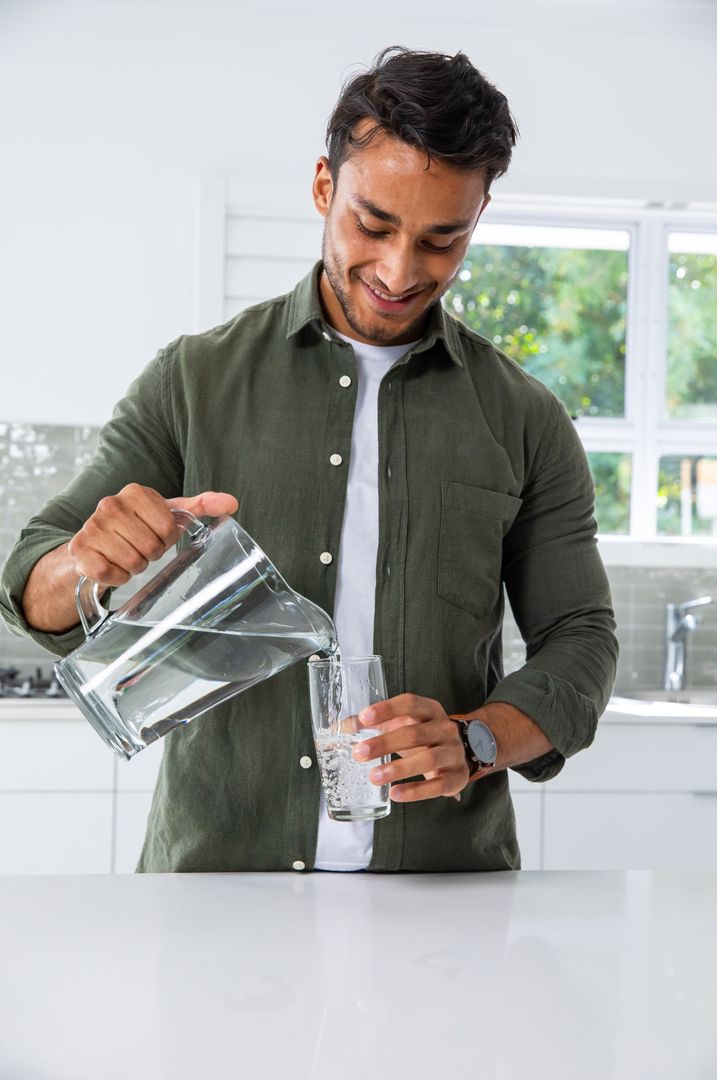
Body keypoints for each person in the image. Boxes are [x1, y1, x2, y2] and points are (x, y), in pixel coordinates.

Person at [0, 45, 618, 873]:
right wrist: (84, 562)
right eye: (373, 224)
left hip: (441, 898)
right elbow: (30, 583)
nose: (400, 270)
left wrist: (475, 741)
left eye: (443, 240)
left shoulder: (526, 419)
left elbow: (581, 637)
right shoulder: (194, 379)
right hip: (217, 887)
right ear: (324, 187)